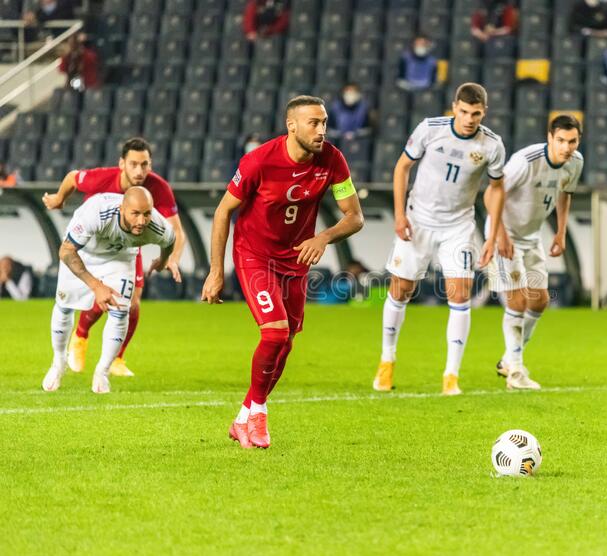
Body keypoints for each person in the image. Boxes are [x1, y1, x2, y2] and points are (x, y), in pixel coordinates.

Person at [201, 95, 364, 449]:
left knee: (286, 343)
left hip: (295, 263)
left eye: (323, 122)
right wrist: (216, 271)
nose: (322, 130)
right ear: (292, 126)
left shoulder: (333, 160)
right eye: (314, 123)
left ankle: (243, 418)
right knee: (274, 335)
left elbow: (355, 216)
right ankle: (258, 417)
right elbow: (223, 211)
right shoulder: (258, 161)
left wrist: (324, 237)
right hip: (254, 256)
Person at [373, 82, 510, 396]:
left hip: (458, 226)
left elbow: (498, 188)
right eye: (463, 112)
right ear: (454, 107)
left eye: (476, 113)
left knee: (460, 296)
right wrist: (399, 215)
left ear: (484, 112)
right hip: (418, 219)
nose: (469, 119)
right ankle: (387, 359)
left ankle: (451, 375)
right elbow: (402, 167)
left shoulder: (492, 145)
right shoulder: (430, 130)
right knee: (401, 289)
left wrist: (491, 234)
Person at [41, 138, 186, 378]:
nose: (139, 171)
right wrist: (59, 198)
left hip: (126, 245)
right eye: (134, 164)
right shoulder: (102, 178)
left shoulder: (158, 188)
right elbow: (73, 177)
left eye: (145, 164)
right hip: (90, 244)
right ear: (122, 164)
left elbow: (174, 231)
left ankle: (117, 358)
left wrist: (171, 259)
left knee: (131, 302)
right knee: (78, 299)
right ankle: (81, 335)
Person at [41, 188, 176, 394]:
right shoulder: (97, 212)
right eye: (135, 214)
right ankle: (58, 362)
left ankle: (102, 372)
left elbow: (169, 241)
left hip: (119, 258)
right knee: (64, 306)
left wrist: (162, 261)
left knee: (122, 310)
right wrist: (96, 285)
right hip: (82, 253)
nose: (141, 221)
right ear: (122, 209)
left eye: (146, 214)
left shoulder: (157, 227)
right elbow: (65, 251)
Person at [485, 115, 584, 390]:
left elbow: (566, 194)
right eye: (561, 140)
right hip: (503, 233)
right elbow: (491, 194)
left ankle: (508, 358)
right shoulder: (525, 161)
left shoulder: (575, 162)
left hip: (532, 237)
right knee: (517, 301)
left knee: (539, 301)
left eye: (572, 141)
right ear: (550, 138)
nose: (566, 147)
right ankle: (516, 371)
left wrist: (561, 232)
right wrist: (500, 236)